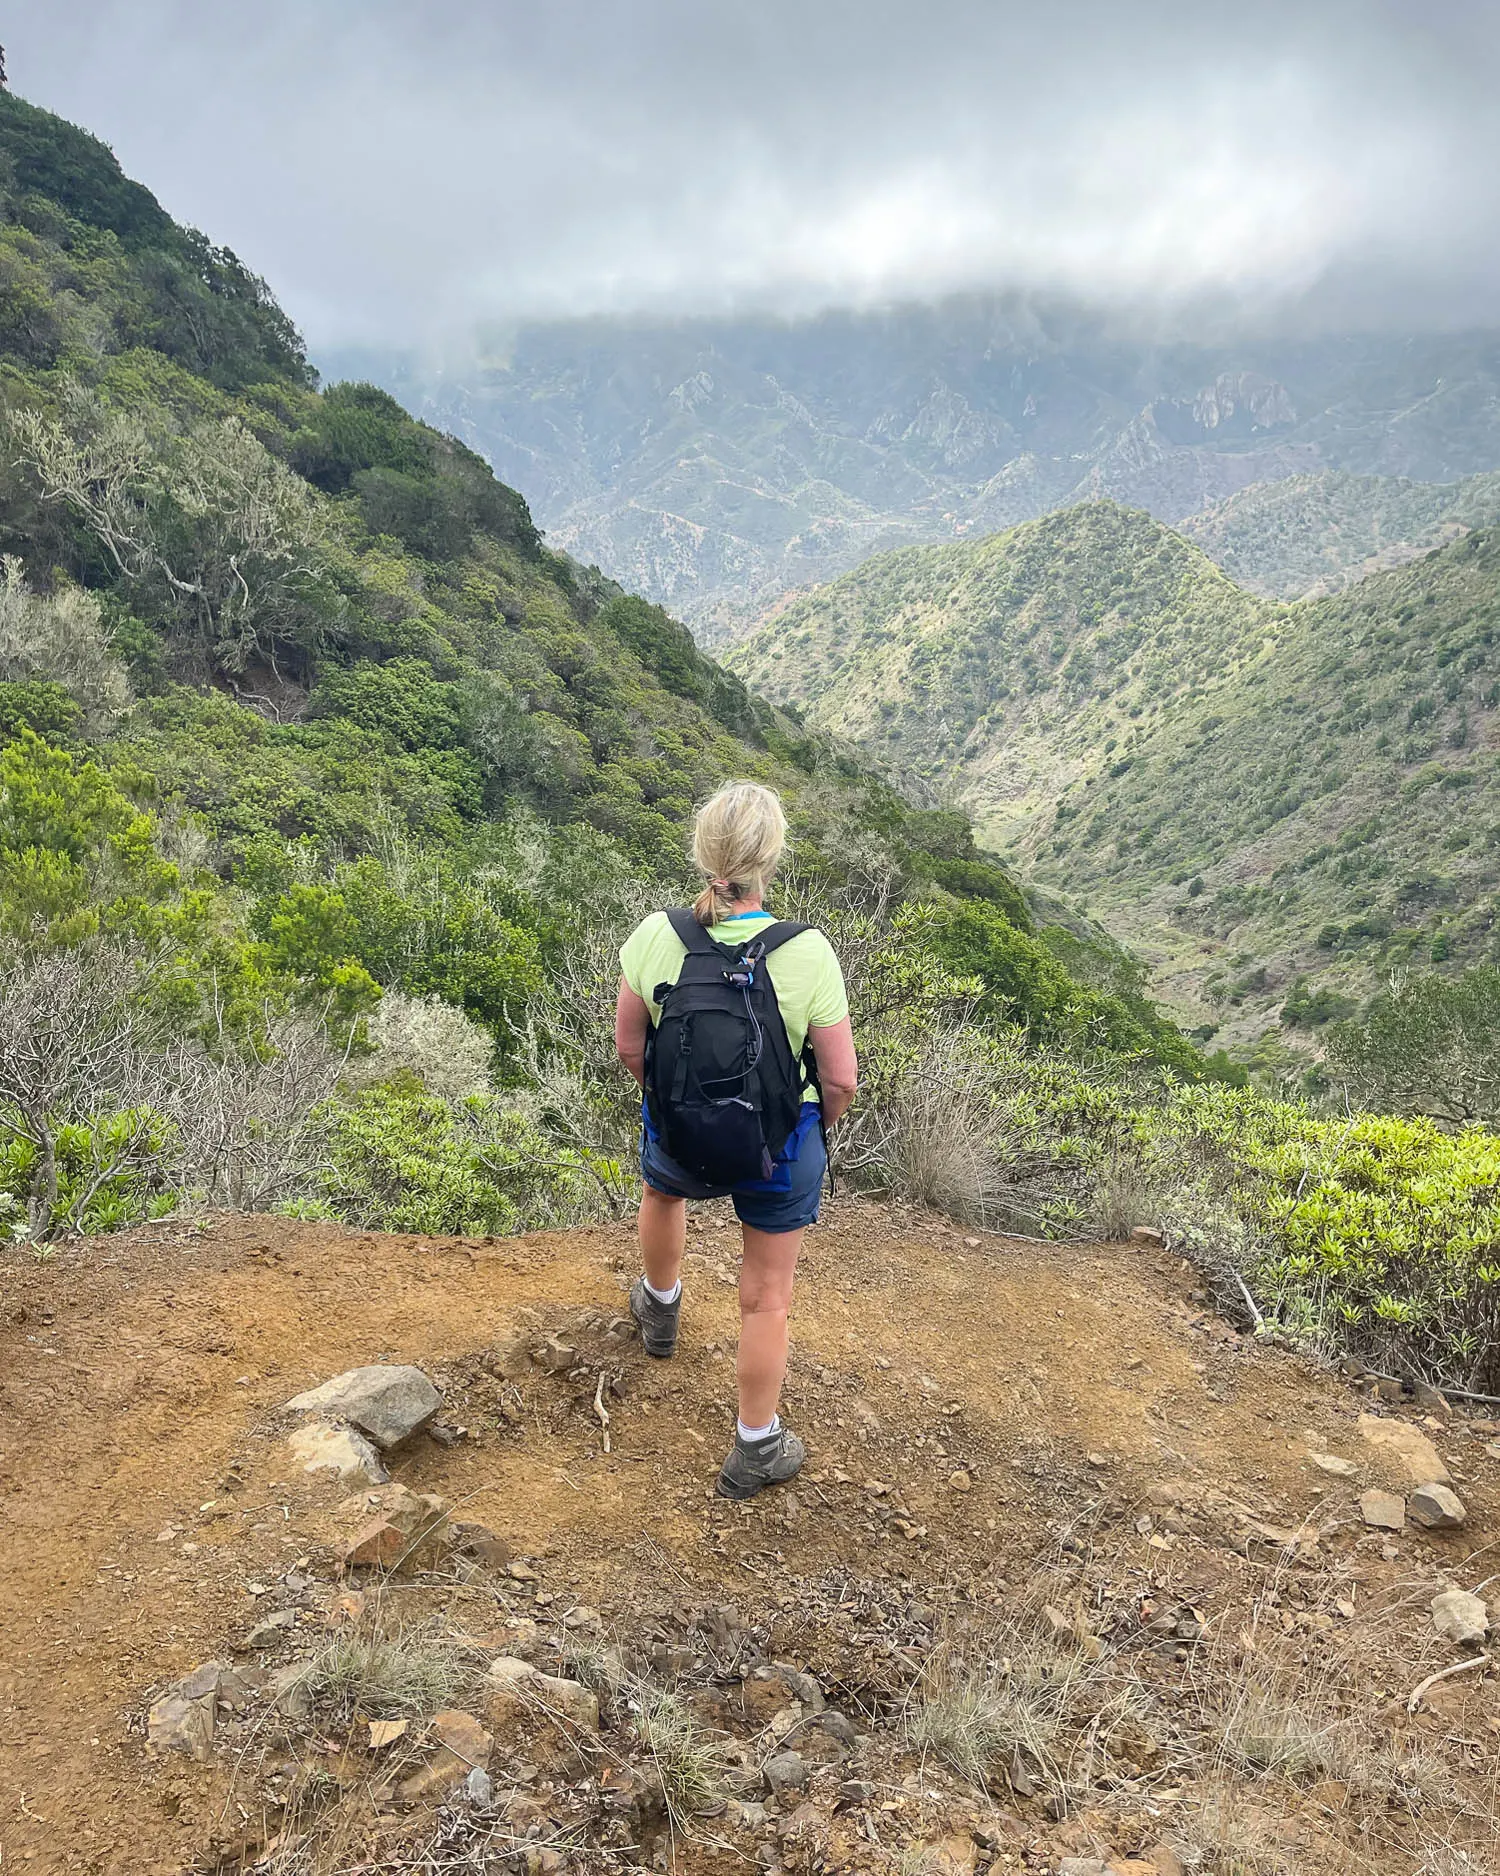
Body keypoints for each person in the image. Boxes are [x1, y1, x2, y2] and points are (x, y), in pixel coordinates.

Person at [614, 781, 858, 1499]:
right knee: (765, 1296)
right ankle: (756, 1445)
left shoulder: (656, 935)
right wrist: (810, 1127)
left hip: (679, 1123)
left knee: (662, 1190)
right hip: (778, 1142)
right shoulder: (807, 952)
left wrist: (677, 1105)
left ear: (704, 856)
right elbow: (839, 1079)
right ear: (772, 860)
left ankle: (660, 1306)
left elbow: (632, 1046)